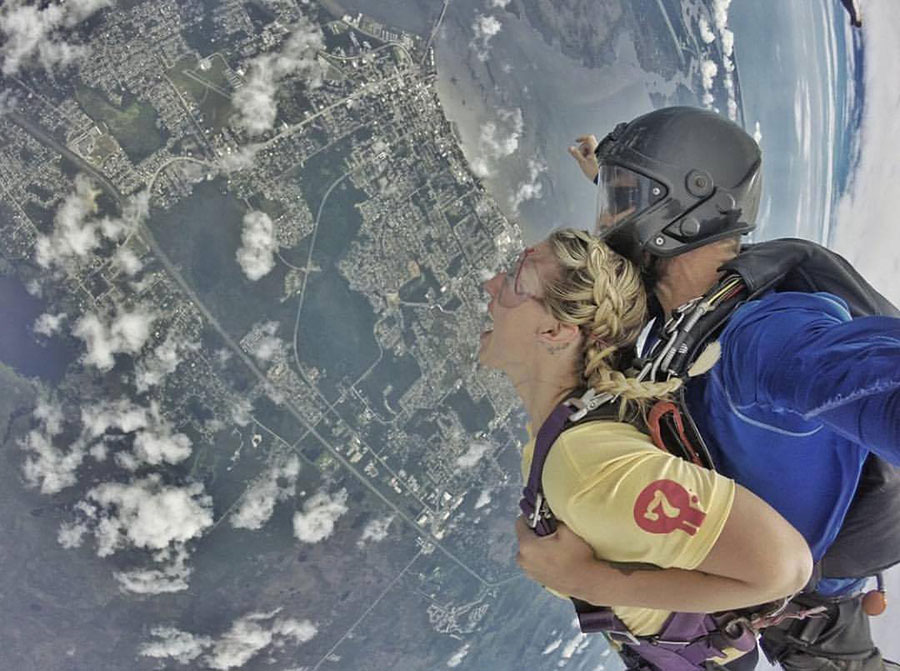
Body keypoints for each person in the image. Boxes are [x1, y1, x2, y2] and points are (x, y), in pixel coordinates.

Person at [520, 106, 900, 670]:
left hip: (807, 604)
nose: (606, 225)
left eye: (622, 201)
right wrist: (610, 175)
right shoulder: (693, 313)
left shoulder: (761, 340)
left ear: (683, 211)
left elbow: (862, 377)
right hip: (763, 578)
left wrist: (592, 581)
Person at [480, 227, 813, 671]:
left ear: (555, 330)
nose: (492, 286)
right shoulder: (581, 424)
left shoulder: (589, 469)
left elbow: (784, 568)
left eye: (515, 279)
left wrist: (588, 581)